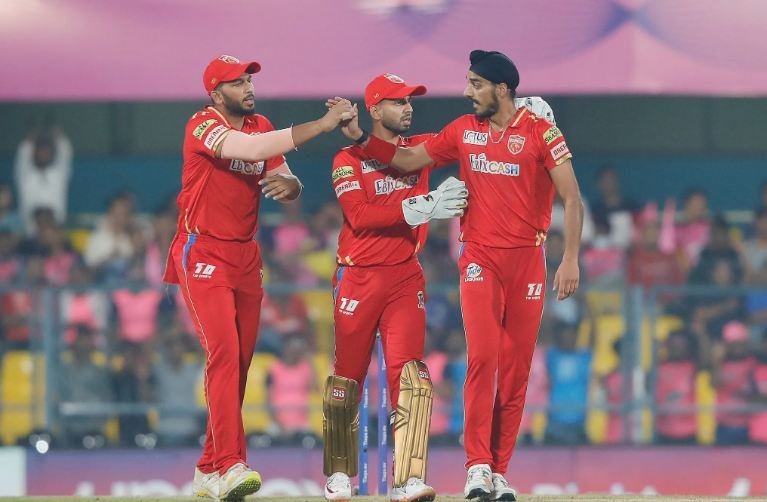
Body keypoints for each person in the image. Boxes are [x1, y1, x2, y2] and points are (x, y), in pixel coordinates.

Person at [340, 50, 584, 501]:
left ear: (501, 89)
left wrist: (570, 258)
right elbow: (407, 160)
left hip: (528, 262)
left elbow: (571, 198)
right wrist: (359, 137)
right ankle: (476, 467)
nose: (468, 91)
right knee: (483, 357)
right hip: (480, 259)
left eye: (476, 84)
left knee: (516, 371)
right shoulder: (463, 131)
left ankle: (499, 471)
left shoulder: (541, 132)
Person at [162, 54, 353, 501]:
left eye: (248, 80)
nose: (248, 88)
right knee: (224, 354)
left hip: (245, 256)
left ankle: (207, 468)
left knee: (240, 362)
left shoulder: (260, 124)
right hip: (202, 251)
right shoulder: (202, 125)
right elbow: (251, 151)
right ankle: (231, 464)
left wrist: (294, 186)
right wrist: (322, 125)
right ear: (216, 94)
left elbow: (280, 172)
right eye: (236, 83)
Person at [322, 73, 468, 502]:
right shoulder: (346, 158)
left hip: (405, 276)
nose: (408, 109)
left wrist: (514, 118)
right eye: (398, 102)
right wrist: (421, 206)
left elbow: (469, 142)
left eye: (410, 102)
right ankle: (339, 474)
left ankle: (407, 477)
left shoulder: (419, 149)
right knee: (347, 377)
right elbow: (361, 215)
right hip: (358, 277)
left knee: (411, 377)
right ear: (374, 108)